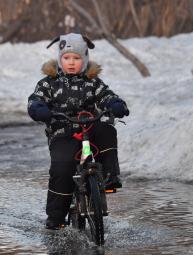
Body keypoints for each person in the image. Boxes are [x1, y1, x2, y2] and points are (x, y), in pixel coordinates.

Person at [27, 33, 129, 230]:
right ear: (60, 59)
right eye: (66, 58)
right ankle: (56, 217)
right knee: (62, 170)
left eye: (76, 58)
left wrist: (115, 104)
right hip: (63, 132)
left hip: (90, 127)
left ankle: (110, 176)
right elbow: (36, 99)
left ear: (84, 59)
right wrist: (40, 109)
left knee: (107, 129)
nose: (71, 63)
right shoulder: (50, 82)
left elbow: (107, 96)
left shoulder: (92, 82)